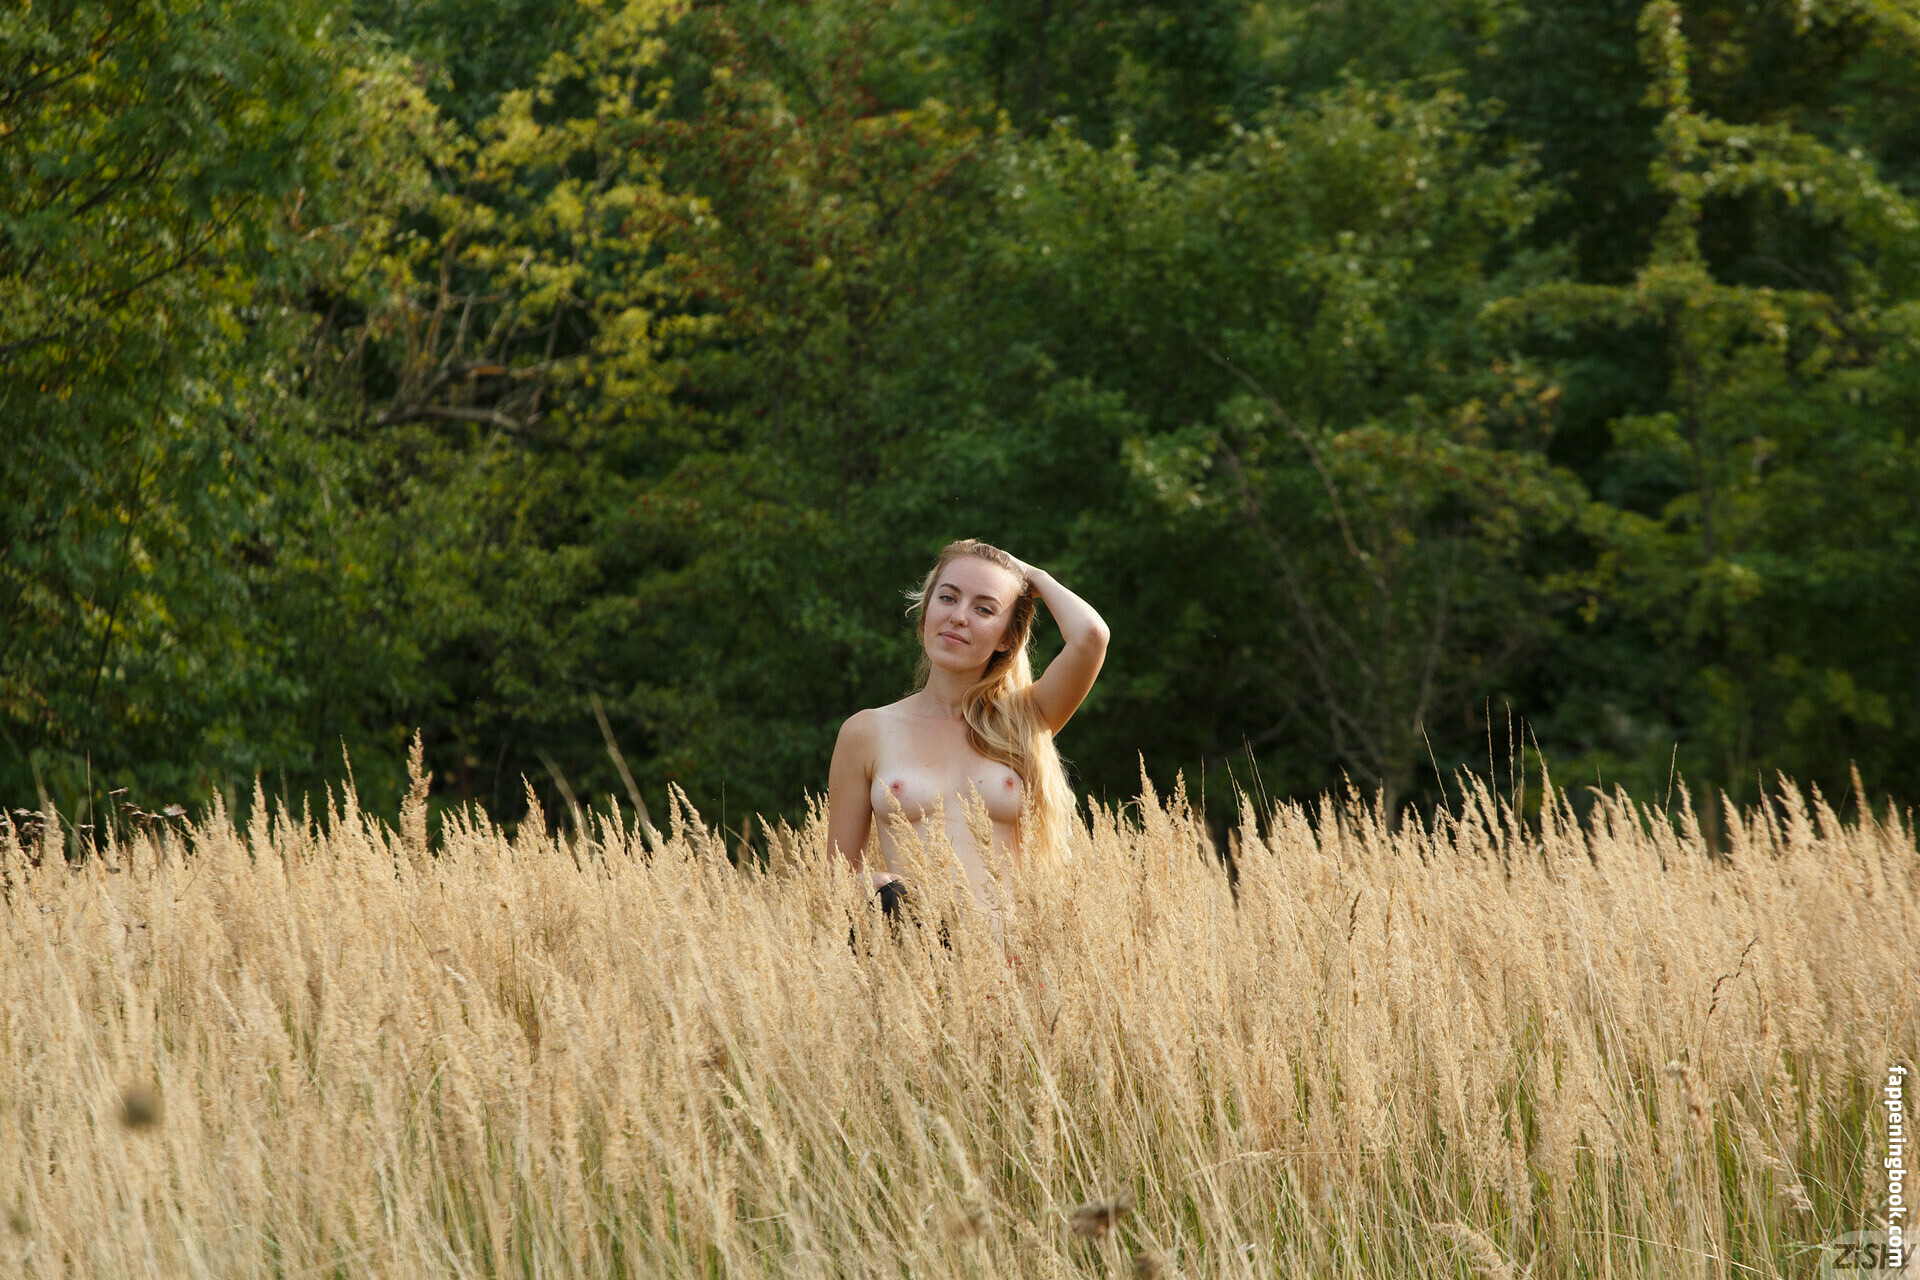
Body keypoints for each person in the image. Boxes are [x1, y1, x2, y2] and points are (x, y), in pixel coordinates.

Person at [826, 539, 1110, 935]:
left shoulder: (1025, 720)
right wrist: (872, 888)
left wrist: (1033, 576)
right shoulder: (867, 731)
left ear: (1007, 638)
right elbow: (835, 880)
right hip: (916, 960)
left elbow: (1091, 636)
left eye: (984, 609)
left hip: (1011, 960)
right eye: (947, 598)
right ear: (926, 612)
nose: (959, 617)